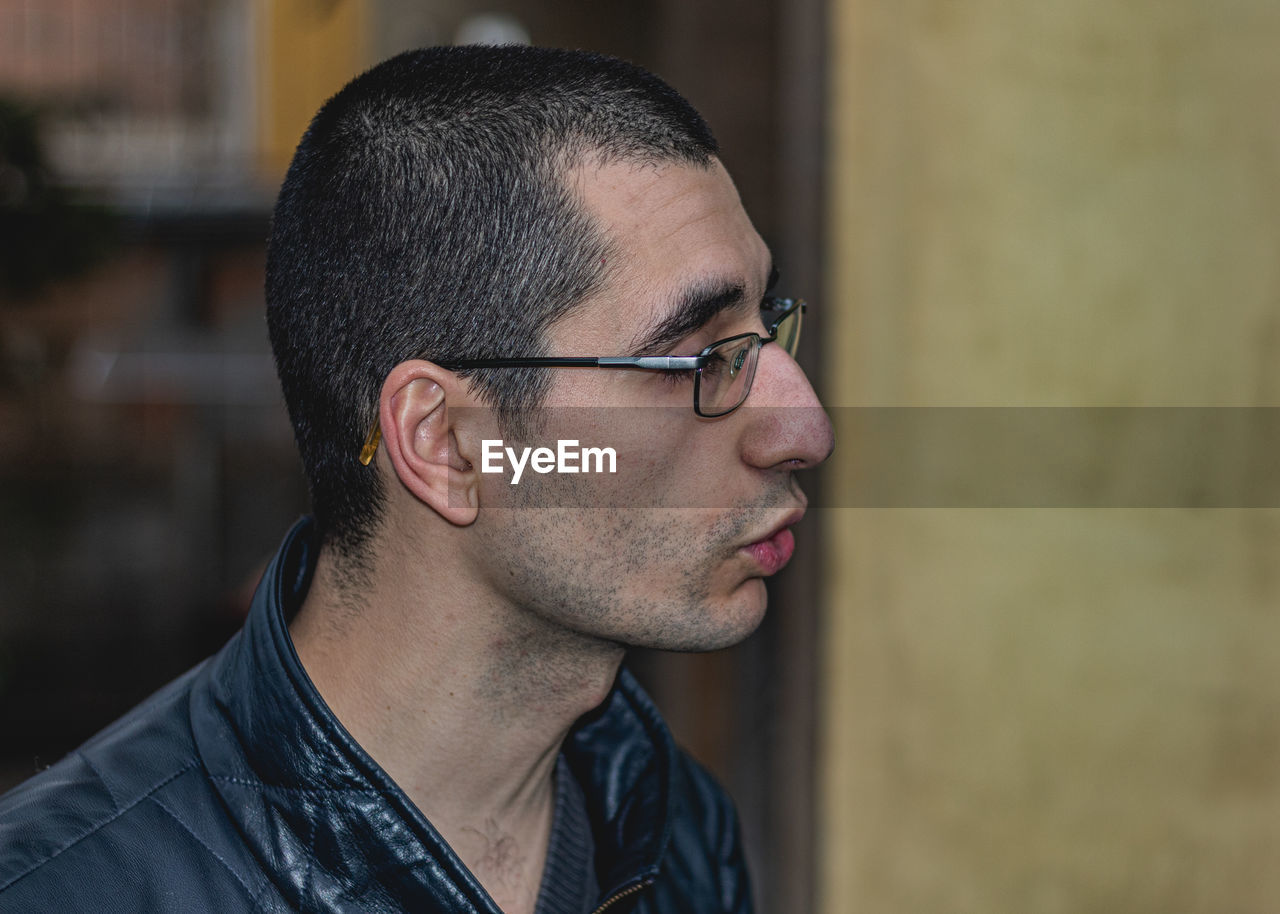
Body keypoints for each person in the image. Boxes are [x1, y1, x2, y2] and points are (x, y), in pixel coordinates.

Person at [0, 45, 832, 913]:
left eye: (767, 325)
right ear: (446, 443)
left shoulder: (670, 830)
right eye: (699, 356)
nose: (805, 425)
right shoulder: (68, 891)